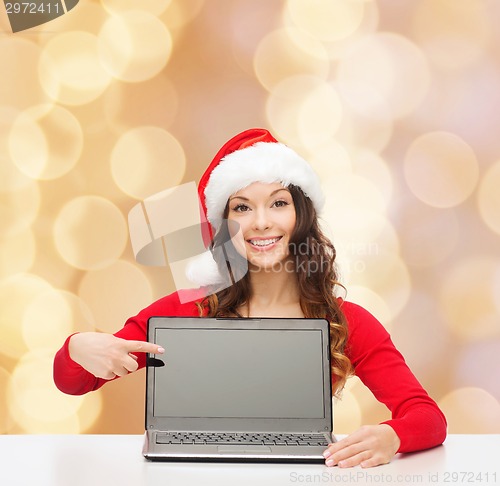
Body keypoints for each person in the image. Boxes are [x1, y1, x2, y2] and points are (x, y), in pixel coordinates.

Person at [53, 128, 447, 468]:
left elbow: (427, 416)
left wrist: (392, 436)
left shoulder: (347, 322)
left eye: (278, 203)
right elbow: (73, 382)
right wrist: (76, 349)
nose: (261, 222)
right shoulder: (187, 310)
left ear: (301, 217)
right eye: (242, 207)